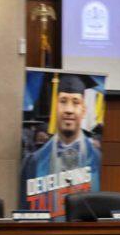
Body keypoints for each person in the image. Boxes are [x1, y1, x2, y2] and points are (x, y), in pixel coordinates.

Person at [20, 73, 103, 213]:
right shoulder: (34, 161)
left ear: (83, 110)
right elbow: (24, 214)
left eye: (76, 102)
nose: (69, 110)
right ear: (55, 107)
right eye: (63, 101)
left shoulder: (98, 160)